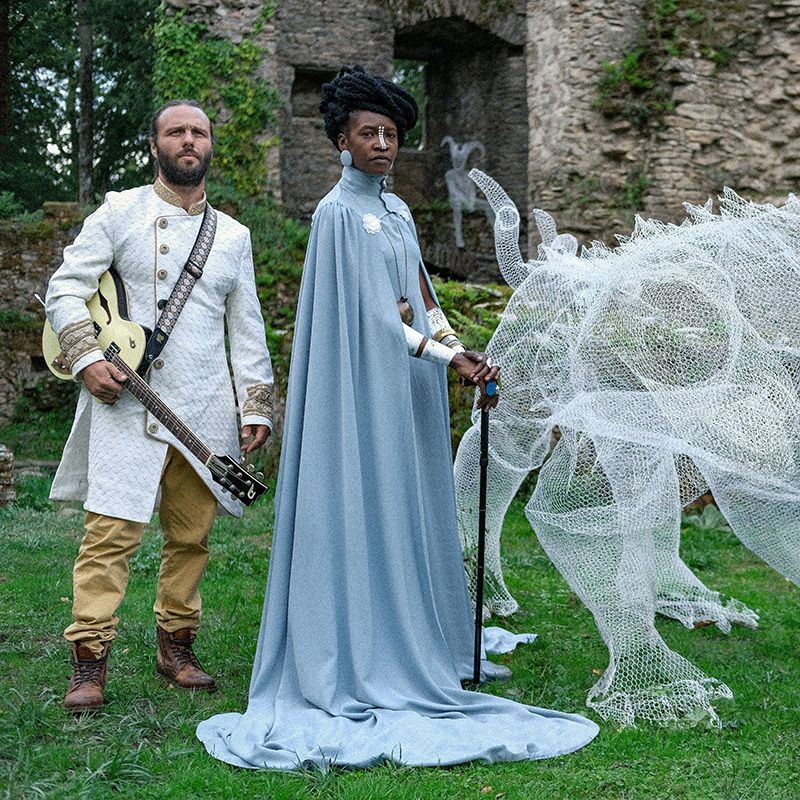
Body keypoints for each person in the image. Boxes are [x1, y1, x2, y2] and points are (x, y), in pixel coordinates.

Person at [196, 66, 598, 770]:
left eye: (390, 133)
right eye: (368, 133)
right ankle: (360, 645)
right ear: (342, 142)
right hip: (360, 387)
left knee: (412, 502)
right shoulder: (335, 215)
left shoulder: (401, 213)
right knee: (366, 499)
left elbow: (423, 300)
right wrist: (447, 359)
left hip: (408, 387)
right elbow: (372, 319)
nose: (382, 144)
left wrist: (457, 346)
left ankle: (421, 634)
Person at [45, 99, 275, 713]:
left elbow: (247, 328)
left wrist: (255, 405)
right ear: (155, 145)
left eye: (199, 132)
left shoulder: (234, 236)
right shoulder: (119, 211)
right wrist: (85, 357)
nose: (189, 140)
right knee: (109, 537)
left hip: (203, 409)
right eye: (176, 132)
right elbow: (65, 287)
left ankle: (176, 648)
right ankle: (88, 659)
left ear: (210, 145)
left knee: (191, 539)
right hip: (125, 403)